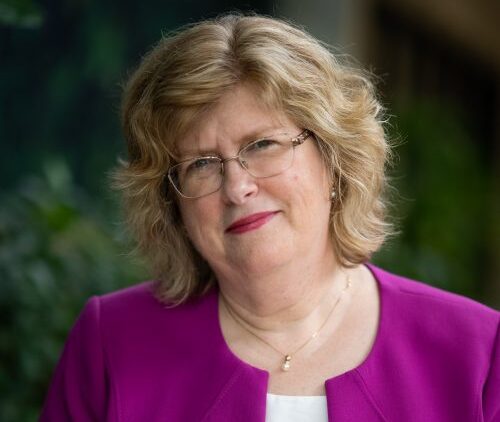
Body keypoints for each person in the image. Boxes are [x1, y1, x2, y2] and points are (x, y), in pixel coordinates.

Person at [40, 13, 499, 422]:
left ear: (334, 161)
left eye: (262, 145)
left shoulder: (478, 352)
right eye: (201, 164)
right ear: (172, 204)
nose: (238, 187)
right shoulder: (110, 344)